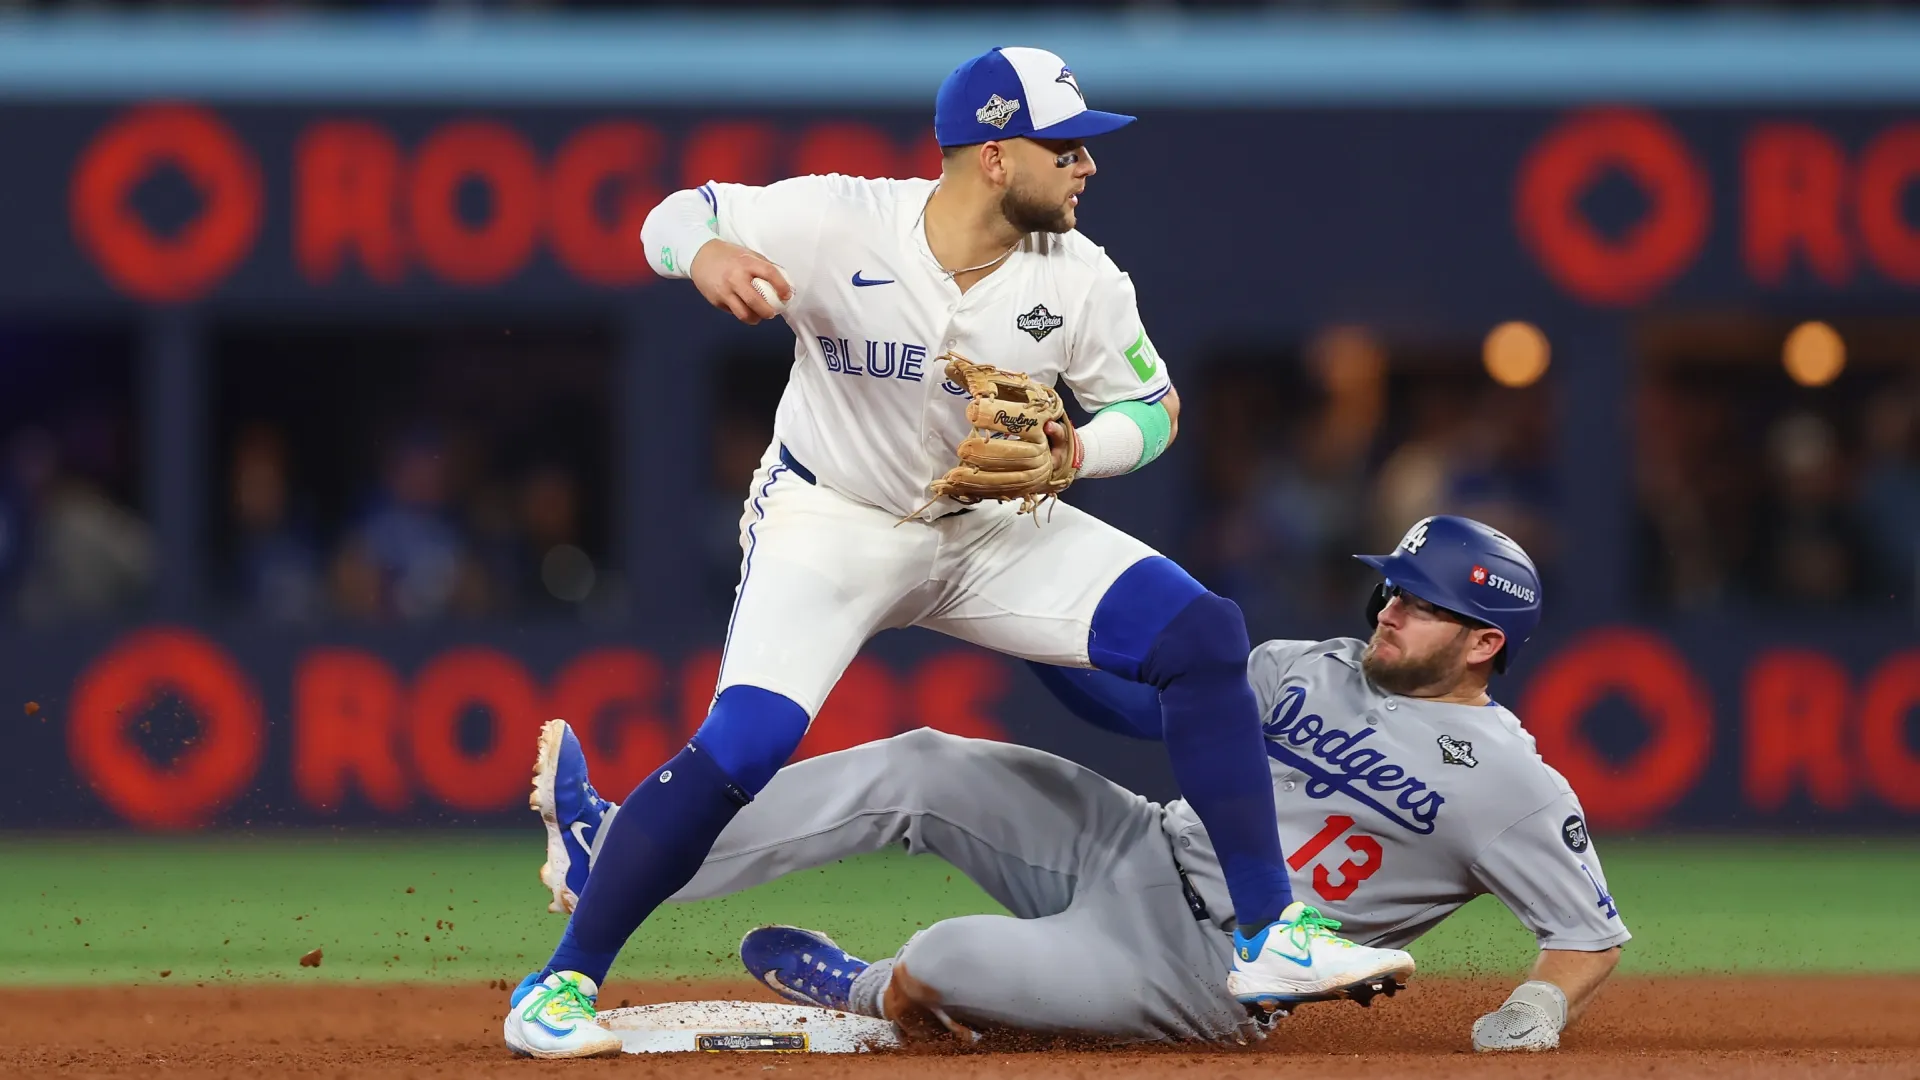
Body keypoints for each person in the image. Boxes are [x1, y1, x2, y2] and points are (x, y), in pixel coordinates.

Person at [502, 46, 1410, 1058]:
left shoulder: (1081, 279)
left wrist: (1077, 450)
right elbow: (674, 213)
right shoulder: (843, 218)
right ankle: (560, 985)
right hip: (833, 519)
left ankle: (1269, 931)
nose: (1086, 165)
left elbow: (1153, 409)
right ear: (990, 155)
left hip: (986, 524)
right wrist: (705, 254)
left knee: (1201, 634)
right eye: (1063, 146)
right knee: (746, 747)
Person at [529, 516, 1627, 1051]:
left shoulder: (1513, 784)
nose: (1388, 607)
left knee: (944, 956)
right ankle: (616, 852)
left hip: (1200, 971)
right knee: (926, 761)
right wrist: (1024, 629)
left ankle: (874, 993)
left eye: (1419, 602)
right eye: (1391, 587)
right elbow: (1154, 717)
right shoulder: (1314, 666)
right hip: (1134, 841)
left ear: (1484, 643)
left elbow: (1588, 933)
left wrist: (1538, 1003)